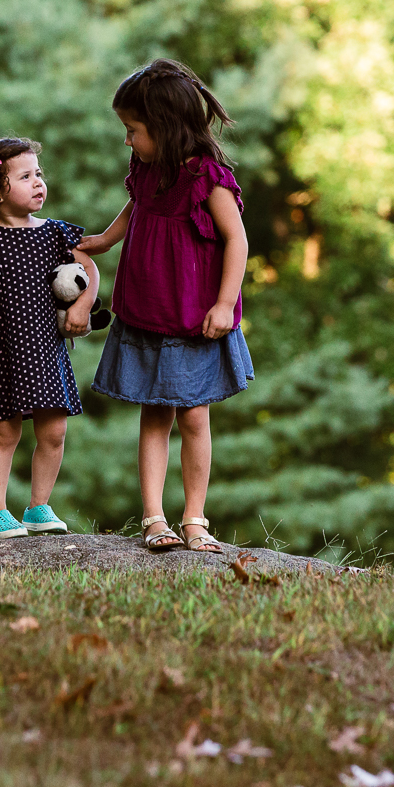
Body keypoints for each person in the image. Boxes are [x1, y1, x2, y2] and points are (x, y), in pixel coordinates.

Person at [77, 59, 253, 553]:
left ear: (166, 127)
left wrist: (224, 303)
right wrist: (106, 241)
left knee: (194, 417)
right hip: (148, 310)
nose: (127, 141)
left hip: (196, 317)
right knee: (154, 414)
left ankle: (195, 516)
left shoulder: (209, 180)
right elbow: (135, 208)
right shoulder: (147, 170)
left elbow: (236, 241)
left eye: (133, 130)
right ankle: (154, 518)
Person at [0, 138, 98, 540]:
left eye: (39, 174)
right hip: (3, 350)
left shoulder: (54, 234)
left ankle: (38, 506)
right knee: (4, 433)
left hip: (46, 348)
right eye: (26, 176)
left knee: (53, 431)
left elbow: (88, 269)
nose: (38, 183)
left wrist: (84, 306)